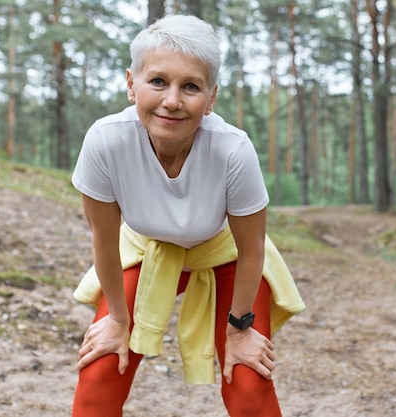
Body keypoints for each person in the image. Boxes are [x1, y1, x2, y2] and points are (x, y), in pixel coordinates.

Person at [70, 14, 305, 417]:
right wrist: (118, 321)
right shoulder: (106, 141)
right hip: (146, 251)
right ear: (131, 83)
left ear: (210, 98)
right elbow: (104, 240)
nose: (172, 100)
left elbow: (251, 252)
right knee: (101, 368)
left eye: (190, 86)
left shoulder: (232, 150)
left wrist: (239, 329)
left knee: (249, 380)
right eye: (158, 81)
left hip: (225, 255)